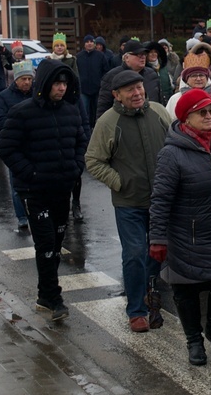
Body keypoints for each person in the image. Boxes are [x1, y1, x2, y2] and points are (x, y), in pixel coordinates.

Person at [149, 89, 211, 366]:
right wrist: (157, 238)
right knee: (186, 291)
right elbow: (160, 198)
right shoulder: (172, 153)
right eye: (202, 112)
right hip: (185, 233)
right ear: (186, 117)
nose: (209, 116)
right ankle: (194, 340)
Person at [0, 60, 88, 321]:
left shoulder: (70, 111)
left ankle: (44, 295)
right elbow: (7, 148)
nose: (61, 88)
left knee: (57, 244)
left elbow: (81, 140)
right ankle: (53, 297)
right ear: (45, 84)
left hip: (62, 188)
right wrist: (31, 173)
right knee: (46, 244)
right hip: (35, 190)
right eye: (57, 83)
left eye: (65, 84)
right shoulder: (22, 112)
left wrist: (76, 166)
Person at [86, 70, 172, 332]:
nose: (137, 93)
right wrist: (120, 182)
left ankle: (150, 295)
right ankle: (136, 310)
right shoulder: (108, 122)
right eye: (130, 90)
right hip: (129, 203)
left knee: (157, 253)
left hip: (160, 201)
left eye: (139, 87)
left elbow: (175, 145)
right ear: (117, 95)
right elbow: (93, 161)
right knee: (134, 254)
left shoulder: (158, 112)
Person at [0, 60, 33, 229]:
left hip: (34, 143)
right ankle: (21, 216)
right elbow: (1, 120)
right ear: (16, 80)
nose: (27, 82)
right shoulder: (4, 96)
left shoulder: (37, 94)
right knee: (16, 181)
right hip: (15, 144)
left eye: (29, 79)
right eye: (23, 79)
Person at [97, 40, 162, 119]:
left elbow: (159, 101)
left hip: (150, 122)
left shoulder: (152, 74)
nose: (143, 57)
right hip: (124, 125)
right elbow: (103, 107)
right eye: (138, 54)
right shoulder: (112, 76)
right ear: (126, 57)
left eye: (144, 54)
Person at [166, 53, 211, 119]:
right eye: (194, 76)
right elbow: (169, 121)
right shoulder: (175, 99)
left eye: (201, 75)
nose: (198, 79)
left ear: (207, 78)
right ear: (187, 79)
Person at [76, 33, 109, 127]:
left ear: (94, 43)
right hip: (84, 89)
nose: (89, 43)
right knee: (84, 111)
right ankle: (85, 129)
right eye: (87, 42)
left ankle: (98, 128)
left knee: (98, 111)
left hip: (97, 88)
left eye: (91, 41)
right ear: (84, 44)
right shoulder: (78, 57)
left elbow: (106, 71)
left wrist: (102, 83)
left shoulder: (100, 56)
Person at [144, 41, 172, 106]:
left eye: (155, 52)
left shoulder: (163, 68)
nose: (153, 54)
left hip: (166, 102)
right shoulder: (144, 70)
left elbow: (169, 87)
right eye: (151, 52)